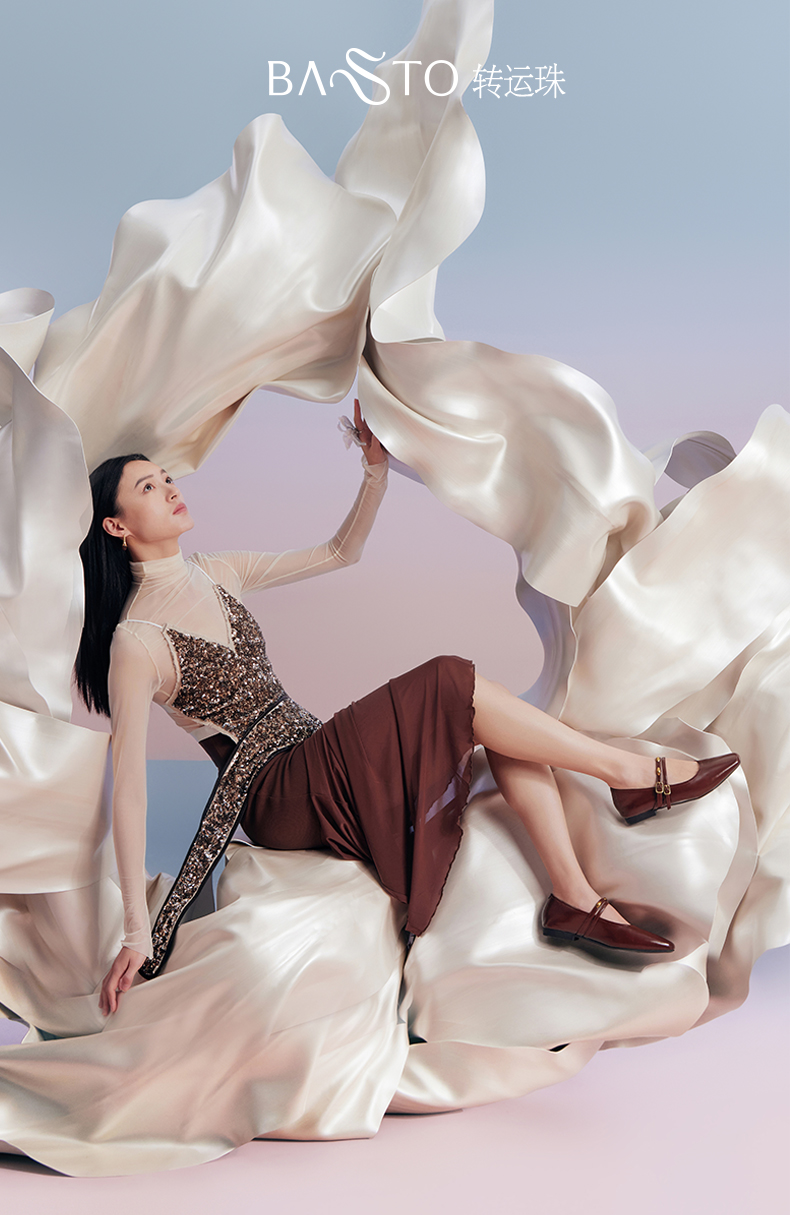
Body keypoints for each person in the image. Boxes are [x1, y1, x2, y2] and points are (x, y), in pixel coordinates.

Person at [73, 400, 740, 1016]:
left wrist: (374, 472)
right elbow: (129, 786)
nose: (170, 488)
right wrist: (136, 930)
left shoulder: (216, 571)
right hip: (279, 793)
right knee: (451, 680)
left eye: (167, 477)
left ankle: (574, 897)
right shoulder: (136, 640)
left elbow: (342, 552)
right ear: (116, 525)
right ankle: (628, 775)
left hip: (316, 750)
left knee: (496, 723)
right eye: (148, 487)